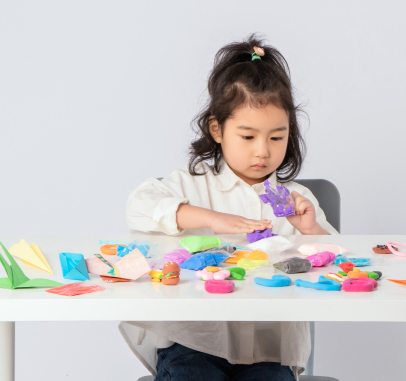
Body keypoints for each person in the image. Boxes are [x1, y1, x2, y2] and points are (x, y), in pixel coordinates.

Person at [119, 34, 338, 381]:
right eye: (248, 137)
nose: (263, 151)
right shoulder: (192, 183)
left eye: (277, 137)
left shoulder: (293, 199)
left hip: (269, 348)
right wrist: (212, 218)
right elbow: (140, 205)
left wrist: (310, 229)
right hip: (192, 342)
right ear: (217, 129)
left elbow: (339, 263)